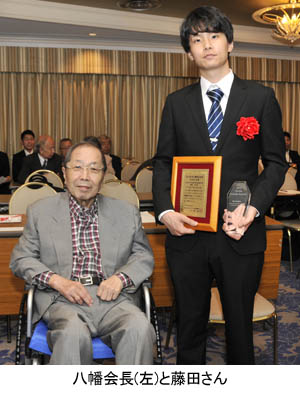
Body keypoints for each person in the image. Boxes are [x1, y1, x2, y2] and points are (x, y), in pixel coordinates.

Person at [152, 6, 287, 365]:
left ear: (230, 44)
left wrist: (253, 208)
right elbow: (163, 162)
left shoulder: (260, 98)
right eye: (197, 39)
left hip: (240, 232)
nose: (206, 44)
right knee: (190, 325)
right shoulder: (176, 103)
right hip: (188, 233)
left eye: (214, 36)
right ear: (188, 52)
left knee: (240, 329)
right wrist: (165, 211)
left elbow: (276, 163)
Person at [10, 141, 155, 365]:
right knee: (72, 335)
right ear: (64, 174)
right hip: (62, 300)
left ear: (103, 175)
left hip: (114, 300)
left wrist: (120, 278)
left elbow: (143, 256)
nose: (85, 176)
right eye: (77, 167)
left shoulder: (126, 212)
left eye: (94, 168)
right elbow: (21, 259)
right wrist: (58, 281)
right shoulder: (41, 211)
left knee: (139, 328)